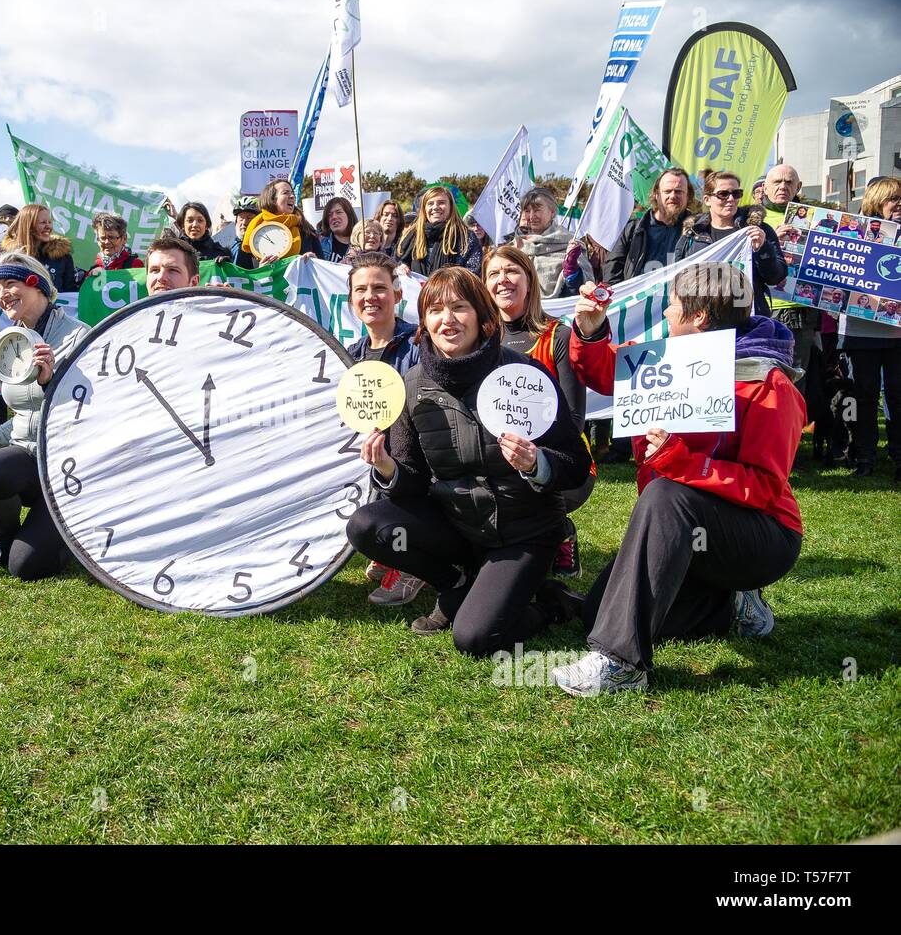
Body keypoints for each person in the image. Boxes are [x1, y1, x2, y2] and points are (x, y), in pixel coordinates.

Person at [550, 263, 804, 695]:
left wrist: (684, 464)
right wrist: (590, 330)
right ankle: (729, 606)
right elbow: (604, 372)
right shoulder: (668, 355)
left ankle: (621, 663)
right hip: (688, 529)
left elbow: (764, 486)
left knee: (668, 494)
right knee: (599, 611)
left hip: (762, 537)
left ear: (699, 316)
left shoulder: (768, 384)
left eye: (672, 305)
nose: (666, 314)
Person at [345, 266, 590, 652]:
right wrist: (388, 469)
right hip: (459, 528)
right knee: (365, 525)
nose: (448, 320)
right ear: (423, 322)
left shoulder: (523, 373)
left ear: (482, 316)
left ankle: (555, 604)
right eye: (436, 311)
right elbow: (411, 484)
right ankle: (455, 585)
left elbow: (575, 465)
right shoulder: (412, 385)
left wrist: (536, 464)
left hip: (523, 533)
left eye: (459, 307)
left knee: (476, 637)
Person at [0, 253, 89, 579]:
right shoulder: (13, 341)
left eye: (10, 283)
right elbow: (25, 413)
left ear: (37, 285)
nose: (2, 294)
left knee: (26, 567)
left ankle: (76, 528)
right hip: (28, 459)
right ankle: (2, 540)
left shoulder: (78, 336)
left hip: (67, 468)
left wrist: (50, 381)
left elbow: (87, 411)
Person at [484, 245, 596, 580]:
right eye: (493, 274)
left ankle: (561, 532)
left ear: (530, 281)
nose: (503, 280)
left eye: (511, 271)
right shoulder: (481, 341)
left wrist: (532, 455)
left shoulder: (558, 335)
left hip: (560, 461)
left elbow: (575, 418)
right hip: (495, 459)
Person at [343, 252, 424, 606]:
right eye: (361, 289)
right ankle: (393, 545)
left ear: (398, 295)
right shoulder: (349, 354)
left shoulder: (419, 345)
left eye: (379, 288)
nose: (370, 297)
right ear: (351, 300)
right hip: (376, 464)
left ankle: (414, 563)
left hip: (416, 466)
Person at [841, 176, 901, 481]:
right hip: (862, 331)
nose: (899, 204)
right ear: (877, 201)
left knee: (897, 395)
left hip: (897, 334)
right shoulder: (856, 234)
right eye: (893, 199)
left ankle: (898, 454)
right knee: (864, 397)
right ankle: (864, 456)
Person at [674, 170, 786, 317]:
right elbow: (678, 279)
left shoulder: (758, 229)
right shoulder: (693, 234)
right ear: (707, 199)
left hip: (747, 319)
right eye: (723, 194)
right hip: (705, 320)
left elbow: (776, 277)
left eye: (736, 193)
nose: (731, 199)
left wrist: (763, 248)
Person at [762, 164, 818, 395]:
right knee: (764, 374)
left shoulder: (815, 218)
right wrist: (771, 236)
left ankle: (793, 430)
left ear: (798, 187)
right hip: (763, 308)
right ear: (765, 187)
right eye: (776, 182)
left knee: (796, 377)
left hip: (800, 309)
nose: (782, 186)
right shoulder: (751, 218)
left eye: (788, 182)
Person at [604, 167, 694, 283]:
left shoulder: (697, 231)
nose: (673, 196)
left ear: (687, 196)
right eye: (667, 191)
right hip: (638, 299)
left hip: (678, 299)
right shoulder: (633, 229)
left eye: (679, 191)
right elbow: (612, 270)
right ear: (656, 194)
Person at [506, 187, 591, 298]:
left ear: (552, 212)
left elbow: (580, 290)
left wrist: (572, 273)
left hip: (558, 312)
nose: (531, 216)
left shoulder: (570, 245)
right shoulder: (514, 247)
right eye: (527, 211)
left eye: (537, 210)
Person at [397, 185, 482, 278]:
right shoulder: (411, 236)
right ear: (424, 209)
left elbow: (473, 275)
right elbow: (397, 262)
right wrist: (402, 267)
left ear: (451, 207)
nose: (435, 207)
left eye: (441, 203)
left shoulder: (466, 237)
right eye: (430, 204)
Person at [236, 179, 323, 269]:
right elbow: (242, 276)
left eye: (292, 193)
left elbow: (323, 269)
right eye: (285, 193)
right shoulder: (253, 231)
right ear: (272, 199)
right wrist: (262, 271)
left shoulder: (306, 230)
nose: (292, 196)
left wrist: (314, 262)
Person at [0, 203, 82, 294]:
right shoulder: (10, 259)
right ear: (28, 226)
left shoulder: (62, 256)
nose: (48, 227)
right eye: (43, 222)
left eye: (49, 222)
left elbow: (70, 293)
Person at [318, 196, 358, 262]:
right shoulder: (319, 241)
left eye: (339, 212)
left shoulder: (362, 244)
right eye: (329, 215)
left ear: (349, 215)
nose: (334, 217)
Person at [226, 196, 260, 267]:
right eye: (241, 218)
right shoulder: (226, 248)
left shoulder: (265, 247)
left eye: (249, 218)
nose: (244, 223)